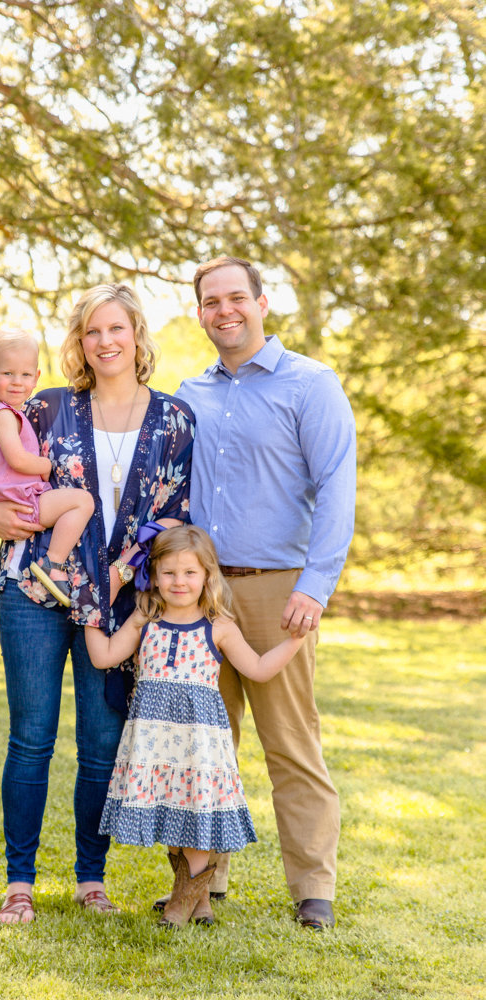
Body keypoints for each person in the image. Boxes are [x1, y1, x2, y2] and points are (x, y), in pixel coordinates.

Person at [0, 284, 194, 924]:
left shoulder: (175, 420)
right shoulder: (46, 406)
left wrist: (124, 572)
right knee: (31, 739)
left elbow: (173, 515)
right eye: (93, 331)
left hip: (117, 602)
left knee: (101, 744)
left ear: (136, 335)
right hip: (33, 589)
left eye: (116, 328)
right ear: (80, 341)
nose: (105, 341)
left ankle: (91, 878)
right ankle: (20, 882)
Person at [175, 255, 356, 931]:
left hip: (279, 590)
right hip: (201, 593)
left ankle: (312, 886)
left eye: (234, 298)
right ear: (198, 313)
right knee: (207, 740)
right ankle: (204, 876)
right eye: (209, 302)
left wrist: (315, 585)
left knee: (290, 743)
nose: (223, 310)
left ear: (260, 301)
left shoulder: (309, 384)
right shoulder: (190, 393)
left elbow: (337, 485)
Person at [85, 524, 306, 929]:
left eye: (190, 573)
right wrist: (89, 615)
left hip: (199, 744)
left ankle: (179, 905)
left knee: (196, 813)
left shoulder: (218, 625)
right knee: (173, 812)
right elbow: (105, 656)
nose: (179, 582)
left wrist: (293, 642)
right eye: (168, 573)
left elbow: (256, 669)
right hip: (155, 743)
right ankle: (198, 900)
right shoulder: (145, 617)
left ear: (208, 575)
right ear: (154, 574)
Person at [0, 328, 95, 606]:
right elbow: (16, 458)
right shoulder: (2, 415)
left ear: (36, 377)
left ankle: (52, 562)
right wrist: (46, 465)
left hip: (21, 500)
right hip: (25, 503)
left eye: (25, 375)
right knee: (83, 502)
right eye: (7, 374)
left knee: (79, 502)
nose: (17, 382)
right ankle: (53, 563)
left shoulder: (5, 411)